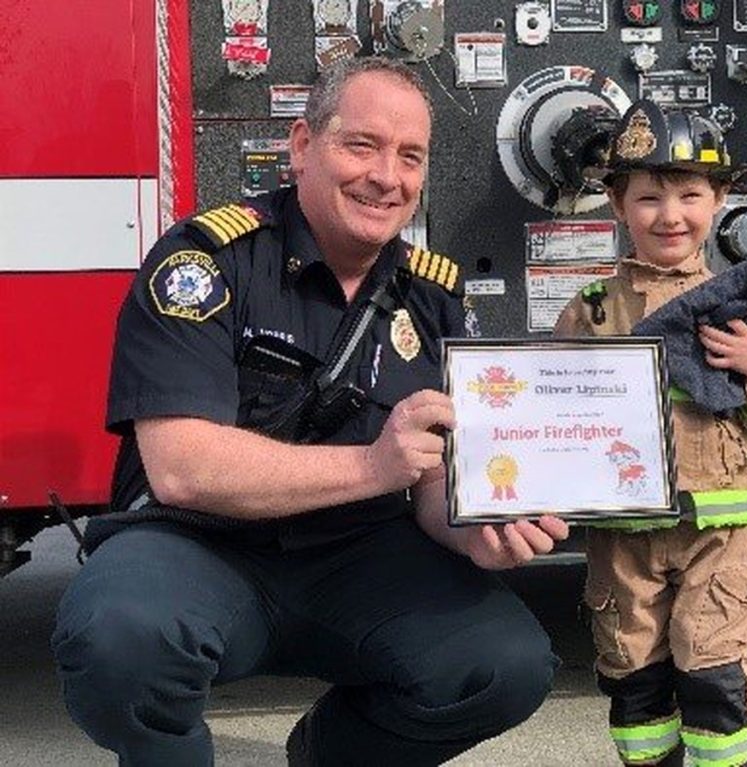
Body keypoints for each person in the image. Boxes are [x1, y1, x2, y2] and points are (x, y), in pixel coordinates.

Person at [51, 56, 568, 766]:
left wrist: (474, 527)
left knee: (504, 663)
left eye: (410, 157)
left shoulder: (433, 299)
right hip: (201, 547)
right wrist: (373, 464)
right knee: (120, 636)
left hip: (355, 557)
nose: (386, 176)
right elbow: (182, 468)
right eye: (361, 145)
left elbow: (433, 478)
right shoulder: (205, 264)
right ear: (302, 145)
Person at [552, 100, 747, 767]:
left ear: (719, 201)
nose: (670, 215)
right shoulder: (591, 310)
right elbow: (551, 408)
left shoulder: (738, 300)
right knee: (632, 675)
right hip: (623, 534)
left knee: (713, 671)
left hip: (718, 530)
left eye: (690, 195)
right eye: (648, 197)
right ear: (616, 203)